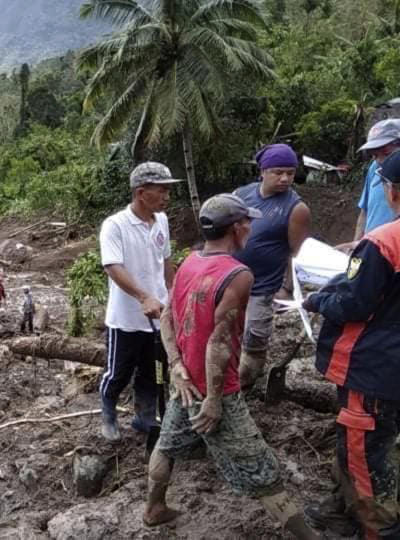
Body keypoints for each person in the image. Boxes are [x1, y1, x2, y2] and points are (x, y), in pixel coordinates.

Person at [145, 194, 317, 539]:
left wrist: (177, 365)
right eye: (248, 223)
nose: (251, 228)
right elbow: (219, 343)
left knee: (166, 446)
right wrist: (214, 399)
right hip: (216, 389)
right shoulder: (238, 275)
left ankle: (154, 508)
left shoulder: (188, 263)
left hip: (185, 382)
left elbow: (167, 317)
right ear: (237, 228)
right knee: (260, 467)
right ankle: (308, 536)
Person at [300, 150, 400, 539]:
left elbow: (354, 303)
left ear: (392, 192)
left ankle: (378, 530)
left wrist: (319, 299)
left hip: (373, 368)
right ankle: (341, 510)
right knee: (383, 445)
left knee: (364, 454)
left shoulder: (383, 242)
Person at [99, 161, 179, 441]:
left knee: (152, 369)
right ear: (141, 192)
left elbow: (165, 260)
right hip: (126, 317)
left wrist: (174, 293)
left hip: (159, 314)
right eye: (162, 190)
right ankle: (108, 413)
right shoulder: (115, 225)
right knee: (118, 372)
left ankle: (144, 417)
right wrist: (143, 296)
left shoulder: (163, 221)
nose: (167, 196)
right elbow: (113, 266)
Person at [233, 144, 311, 387]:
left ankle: (245, 383)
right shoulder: (241, 195)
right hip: (233, 282)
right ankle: (226, 380)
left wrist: (287, 287)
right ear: (263, 171)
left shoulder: (296, 208)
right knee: (225, 333)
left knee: (254, 339)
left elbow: (297, 253)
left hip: (264, 286)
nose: (285, 178)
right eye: (278, 172)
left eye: (290, 172)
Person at [347, 119, 400, 249]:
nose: (380, 160)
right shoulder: (374, 168)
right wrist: (356, 245)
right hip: (370, 247)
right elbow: (365, 212)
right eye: (374, 155)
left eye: (387, 153)